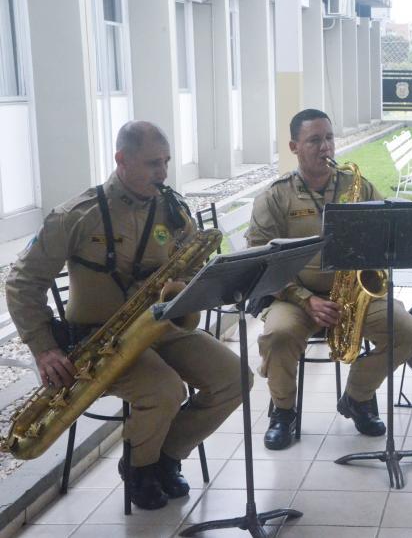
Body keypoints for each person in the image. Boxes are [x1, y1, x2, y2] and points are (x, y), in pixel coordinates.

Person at [6, 121, 246, 511]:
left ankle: (167, 456)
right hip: (98, 342)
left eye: (166, 162)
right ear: (121, 160)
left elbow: (190, 266)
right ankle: (140, 470)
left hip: (159, 328)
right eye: (154, 163)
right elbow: (21, 282)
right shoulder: (77, 215)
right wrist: (44, 349)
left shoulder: (172, 209)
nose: (164, 173)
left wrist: (187, 282)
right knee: (165, 390)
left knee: (235, 378)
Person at [246, 108, 412, 449]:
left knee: (407, 331)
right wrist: (304, 299)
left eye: (329, 138)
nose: (325, 147)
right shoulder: (274, 197)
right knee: (278, 335)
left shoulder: (358, 186)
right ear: (294, 146)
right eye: (314, 140)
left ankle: (358, 396)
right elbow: (261, 262)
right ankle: (283, 410)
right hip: (294, 296)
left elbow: (386, 237)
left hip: (354, 294)